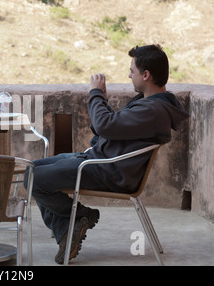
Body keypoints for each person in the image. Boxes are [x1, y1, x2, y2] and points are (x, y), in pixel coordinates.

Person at [26, 44, 189, 264]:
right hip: (100, 162)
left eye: (132, 71)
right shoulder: (150, 104)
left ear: (146, 75)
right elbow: (113, 127)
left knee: (33, 178)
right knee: (33, 168)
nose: (129, 75)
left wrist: (95, 93)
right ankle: (68, 226)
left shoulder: (152, 110)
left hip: (106, 171)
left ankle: (77, 217)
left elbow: (104, 125)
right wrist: (102, 100)